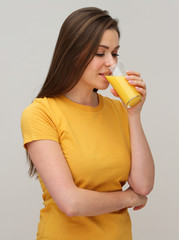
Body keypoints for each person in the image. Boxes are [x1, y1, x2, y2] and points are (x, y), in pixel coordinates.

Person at [21, 7, 155, 240]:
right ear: (72, 54)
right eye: (100, 53)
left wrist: (134, 114)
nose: (111, 63)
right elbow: (71, 202)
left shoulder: (118, 110)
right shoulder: (41, 113)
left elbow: (143, 186)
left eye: (115, 53)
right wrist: (130, 198)